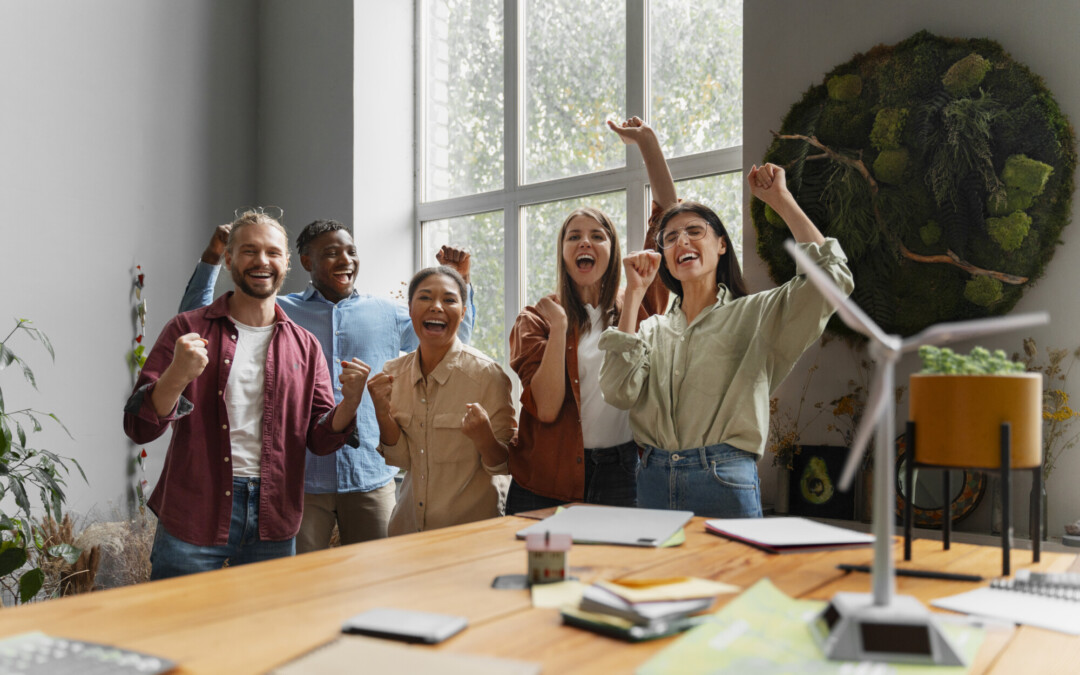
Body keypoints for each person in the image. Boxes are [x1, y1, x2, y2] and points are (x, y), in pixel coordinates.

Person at [179, 219, 475, 552]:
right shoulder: (278, 312)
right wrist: (213, 256)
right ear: (307, 261)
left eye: (351, 251)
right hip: (301, 481)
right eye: (332, 253)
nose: (346, 260)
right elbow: (193, 322)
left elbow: (455, 340)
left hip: (371, 478)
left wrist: (458, 280)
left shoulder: (387, 314)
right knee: (301, 588)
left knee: (374, 583)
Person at [598, 163, 854, 517]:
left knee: (735, 576)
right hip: (653, 480)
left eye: (693, 231)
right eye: (670, 238)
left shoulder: (757, 314)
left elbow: (831, 280)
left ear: (721, 245)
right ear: (667, 263)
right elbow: (617, 391)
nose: (681, 241)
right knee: (659, 576)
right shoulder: (652, 330)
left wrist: (780, 200)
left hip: (723, 480)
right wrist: (635, 296)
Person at [124, 210, 367, 579]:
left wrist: (349, 404)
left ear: (287, 263)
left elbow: (319, 439)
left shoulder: (306, 346)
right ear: (228, 259)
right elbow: (139, 429)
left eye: (272, 252)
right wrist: (176, 376)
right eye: (249, 251)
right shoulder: (187, 328)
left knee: (264, 632)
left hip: (274, 516)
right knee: (173, 629)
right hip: (194, 508)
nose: (261, 261)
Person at [504, 117, 677, 514]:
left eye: (597, 235)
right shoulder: (535, 319)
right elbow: (546, 408)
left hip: (623, 471)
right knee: (540, 574)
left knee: (615, 572)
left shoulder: (640, 298)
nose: (585, 241)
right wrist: (561, 326)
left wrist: (648, 145)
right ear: (564, 254)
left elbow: (670, 217)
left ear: (613, 250)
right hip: (545, 476)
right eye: (574, 236)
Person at [367, 266, 515, 536]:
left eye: (449, 300)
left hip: (472, 535)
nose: (436, 307)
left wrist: (484, 437)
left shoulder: (487, 375)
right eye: (425, 298)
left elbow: (503, 465)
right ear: (410, 309)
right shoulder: (392, 373)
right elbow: (400, 458)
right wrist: (381, 412)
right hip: (407, 532)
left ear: (464, 311)